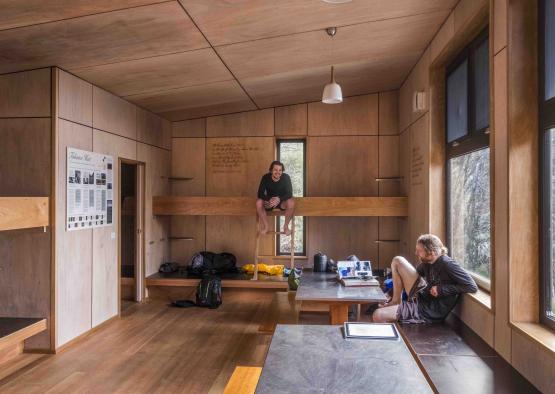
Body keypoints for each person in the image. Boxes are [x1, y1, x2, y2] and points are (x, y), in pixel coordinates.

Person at [373, 234, 477, 324]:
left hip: (429, 311)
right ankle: (395, 301)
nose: (416, 253)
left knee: (378, 315)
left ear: (431, 252)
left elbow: (472, 286)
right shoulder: (427, 263)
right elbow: (406, 278)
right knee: (398, 260)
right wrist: (390, 293)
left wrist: (441, 289)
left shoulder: (448, 264)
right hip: (423, 296)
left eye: (419, 251)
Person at [256, 161, 295, 235]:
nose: (278, 172)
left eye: (280, 170)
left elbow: (289, 193)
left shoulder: (286, 177)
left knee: (291, 202)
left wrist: (279, 199)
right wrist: (269, 199)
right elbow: (260, 193)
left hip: (282, 201)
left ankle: (286, 227)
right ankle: (266, 226)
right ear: (271, 170)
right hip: (269, 201)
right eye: (275, 170)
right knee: (258, 202)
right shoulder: (265, 177)